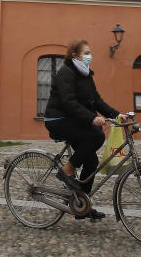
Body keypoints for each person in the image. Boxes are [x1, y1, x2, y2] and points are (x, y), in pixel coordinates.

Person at [43, 39, 120, 220]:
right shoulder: (66, 73)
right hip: (57, 119)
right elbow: (69, 103)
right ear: (75, 55)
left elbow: (97, 100)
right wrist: (92, 118)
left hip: (72, 118)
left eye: (89, 53)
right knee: (96, 136)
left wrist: (118, 115)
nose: (89, 56)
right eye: (86, 53)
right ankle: (67, 170)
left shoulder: (86, 75)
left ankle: (81, 205)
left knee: (91, 162)